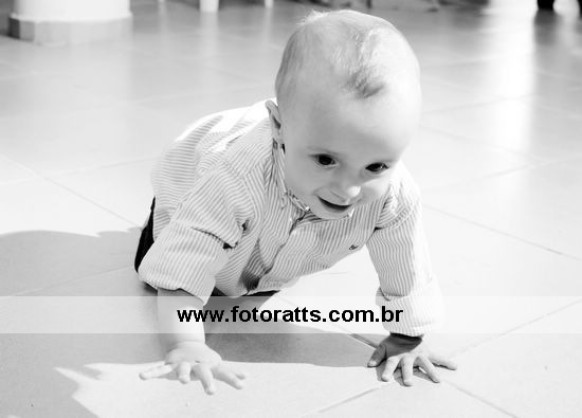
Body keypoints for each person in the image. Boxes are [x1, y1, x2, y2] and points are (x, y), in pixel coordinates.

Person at [136, 9, 456, 395]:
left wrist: (407, 336)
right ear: (279, 127)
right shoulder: (235, 173)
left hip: (267, 244)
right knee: (165, 266)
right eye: (326, 160)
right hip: (190, 199)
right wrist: (185, 343)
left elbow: (406, 264)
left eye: (375, 166)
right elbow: (183, 263)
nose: (348, 190)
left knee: (256, 276)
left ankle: (257, 260)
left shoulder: (394, 194)